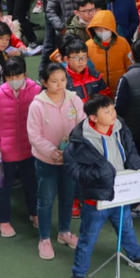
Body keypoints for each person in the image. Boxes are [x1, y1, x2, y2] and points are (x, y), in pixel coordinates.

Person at [63, 94, 140, 278]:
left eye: (113, 109)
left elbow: (130, 149)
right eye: (107, 112)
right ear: (93, 118)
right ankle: (78, 275)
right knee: (87, 239)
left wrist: (136, 165)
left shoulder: (120, 126)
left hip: (121, 194)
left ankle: (136, 256)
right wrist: (98, 174)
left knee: (127, 228)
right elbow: (73, 169)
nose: (113, 114)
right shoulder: (80, 141)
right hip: (95, 200)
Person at [27, 63, 85, 259]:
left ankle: (64, 232)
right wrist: (53, 153)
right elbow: (34, 136)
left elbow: (82, 126)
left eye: (63, 80)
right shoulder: (37, 105)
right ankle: (44, 238)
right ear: (44, 82)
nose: (60, 85)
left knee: (68, 197)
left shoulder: (74, 99)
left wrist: (71, 151)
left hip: (70, 160)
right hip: (46, 162)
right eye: (54, 81)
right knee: (45, 200)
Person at [0, 57, 41, 238]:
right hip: (4, 153)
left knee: (32, 185)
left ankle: (35, 213)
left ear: (25, 73)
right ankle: (4, 220)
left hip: (30, 150)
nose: (14, 80)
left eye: (17, 75)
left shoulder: (36, 91)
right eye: (9, 76)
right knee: (3, 187)